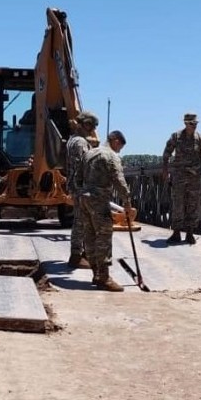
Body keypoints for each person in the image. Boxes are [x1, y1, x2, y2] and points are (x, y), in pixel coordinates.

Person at [79, 130, 132, 292]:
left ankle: (96, 273)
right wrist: (127, 202)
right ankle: (104, 277)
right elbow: (119, 180)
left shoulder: (89, 153)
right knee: (103, 237)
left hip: (84, 198)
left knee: (89, 235)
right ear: (116, 141)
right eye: (120, 148)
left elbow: (77, 176)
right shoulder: (110, 156)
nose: (119, 151)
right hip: (99, 200)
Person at [161, 112, 201, 245]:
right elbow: (166, 153)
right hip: (179, 175)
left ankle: (190, 233)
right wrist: (165, 170)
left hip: (194, 176)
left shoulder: (200, 138)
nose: (194, 126)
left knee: (193, 204)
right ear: (185, 123)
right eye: (191, 123)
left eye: (195, 123)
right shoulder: (176, 136)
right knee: (178, 203)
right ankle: (177, 232)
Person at [65, 111, 101, 269]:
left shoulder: (74, 140)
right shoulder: (80, 143)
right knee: (81, 222)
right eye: (90, 126)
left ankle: (81, 253)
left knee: (82, 220)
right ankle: (76, 255)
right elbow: (83, 165)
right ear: (84, 125)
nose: (91, 129)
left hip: (77, 186)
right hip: (82, 187)